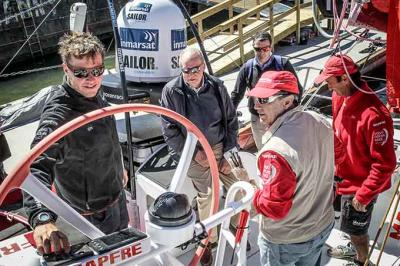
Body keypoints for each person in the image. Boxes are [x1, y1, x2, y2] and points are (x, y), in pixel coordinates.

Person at [23, 32, 129, 255]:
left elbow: (107, 138)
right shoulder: (59, 114)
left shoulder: (96, 95)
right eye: (80, 72)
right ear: (66, 70)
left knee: (125, 252)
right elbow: (35, 166)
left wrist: (119, 167)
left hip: (117, 198)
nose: (91, 79)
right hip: (88, 217)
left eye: (97, 71)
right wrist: (41, 217)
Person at [160, 47, 240, 266]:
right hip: (193, 152)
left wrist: (227, 153)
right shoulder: (171, 92)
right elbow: (169, 131)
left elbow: (231, 121)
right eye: (186, 70)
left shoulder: (218, 87)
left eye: (195, 69)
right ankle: (207, 243)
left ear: (203, 67)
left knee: (240, 186)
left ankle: (237, 226)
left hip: (220, 147)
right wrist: (195, 154)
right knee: (208, 196)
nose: (191, 74)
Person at [314, 54, 397, 266]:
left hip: (359, 186)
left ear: (344, 78)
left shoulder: (375, 115)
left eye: (330, 79)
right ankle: (352, 248)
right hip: (340, 177)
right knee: (339, 222)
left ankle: (362, 261)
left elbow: (385, 164)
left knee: (356, 231)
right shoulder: (337, 97)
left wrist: (364, 194)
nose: (326, 84)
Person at [249, 71, 335, 266]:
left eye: (264, 99)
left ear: (287, 102)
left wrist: (251, 189)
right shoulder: (320, 121)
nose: (256, 107)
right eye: (255, 99)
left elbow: (273, 209)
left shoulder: (275, 151)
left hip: (286, 240)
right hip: (323, 225)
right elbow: (338, 160)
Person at [231, 31, 302, 150]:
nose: (262, 52)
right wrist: (228, 116)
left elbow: (297, 90)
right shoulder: (247, 68)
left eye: (266, 48)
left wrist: (295, 112)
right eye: (258, 49)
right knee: (263, 150)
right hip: (258, 117)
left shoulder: (283, 64)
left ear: (271, 47)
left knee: (283, 149)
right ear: (253, 48)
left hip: (280, 117)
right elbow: (237, 94)